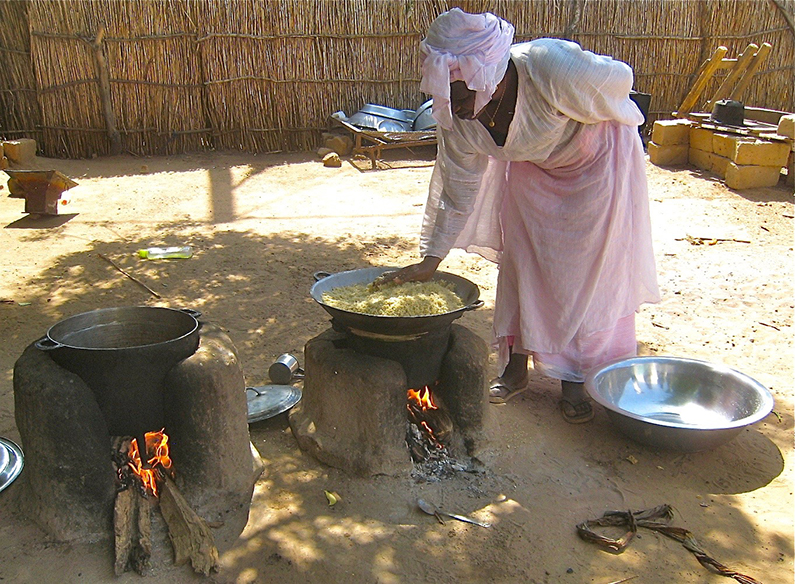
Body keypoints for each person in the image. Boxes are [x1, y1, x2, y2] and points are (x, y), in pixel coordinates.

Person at [383, 8, 660, 423]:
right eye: (444, 92)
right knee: (522, 260)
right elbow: (458, 189)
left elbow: (621, 78)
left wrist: (585, 101)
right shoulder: (456, 114)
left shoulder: (550, 66)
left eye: (459, 93)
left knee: (584, 273)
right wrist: (431, 260)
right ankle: (515, 368)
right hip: (535, 167)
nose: (452, 105)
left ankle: (575, 378)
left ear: (489, 75)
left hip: (596, 162)